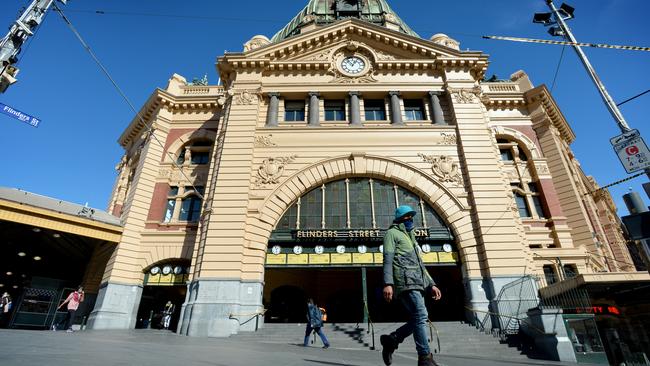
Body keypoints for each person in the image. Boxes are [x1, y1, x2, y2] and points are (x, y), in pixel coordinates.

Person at [380, 205, 442, 366]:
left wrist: (431, 284)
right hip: (405, 282)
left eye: (411, 216)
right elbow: (387, 260)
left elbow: (421, 265)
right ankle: (425, 357)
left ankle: (392, 340)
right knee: (421, 315)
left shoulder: (411, 235)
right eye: (407, 217)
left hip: (419, 283)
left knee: (419, 318)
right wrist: (388, 283)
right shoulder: (391, 234)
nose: (410, 219)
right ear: (400, 218)